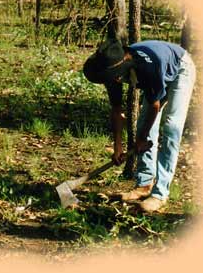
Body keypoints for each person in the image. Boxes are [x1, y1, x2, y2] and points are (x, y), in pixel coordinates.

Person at [83, 38, 196, 213]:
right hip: (160, 72)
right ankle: (144, 184)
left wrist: (142, 138)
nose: (116, 80)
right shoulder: (109, 67)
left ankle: (160, 194)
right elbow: (117, 110)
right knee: (144, 124)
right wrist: (118, 146)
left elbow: (155, 105)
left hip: (180, 67)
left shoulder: (148, 68)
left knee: (171, 127)